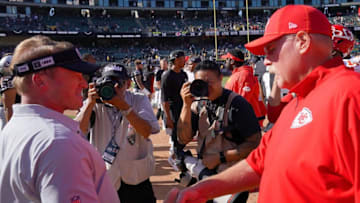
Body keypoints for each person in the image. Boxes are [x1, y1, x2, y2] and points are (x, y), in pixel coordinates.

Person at [165, 5, 360, 202]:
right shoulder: (297, 102)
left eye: (272, 49)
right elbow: (258, 164)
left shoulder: (350, 95)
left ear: (302, 42)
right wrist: (202, 190)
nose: (265, 61)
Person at [0, 35, 120, 202]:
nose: (84, 84)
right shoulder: (58, 142)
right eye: (74, 75)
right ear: (40, 80)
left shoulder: (12, 128)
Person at [177, 60, 261, 202]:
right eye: (200, 83)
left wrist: (221, 157)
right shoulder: (198, 104)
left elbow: (254, 143)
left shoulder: (237, 105)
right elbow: (182, 138)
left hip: (232, 180)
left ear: (221, 78)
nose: (206, 88)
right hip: (206, 176)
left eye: (209, 82)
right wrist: (186, 106)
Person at [76, 63, 159, 203]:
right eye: (108, 82)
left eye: (118, 84)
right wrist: (90, 103)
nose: (114, 88)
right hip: (105, 179)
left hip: (136, 177)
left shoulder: (138, 100)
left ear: (128, 83)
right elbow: (78, 131)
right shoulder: (95, 103)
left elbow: (146, 131)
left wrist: (124, 107)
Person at [223, 49, 266, 127]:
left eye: (227, 59)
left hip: (247, 121)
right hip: (242, 119)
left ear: (232, 61)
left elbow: (243, 101)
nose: (225, 62)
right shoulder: (238, 74)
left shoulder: (244, 75)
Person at [161, 50, 187, 160]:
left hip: (183, 108)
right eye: (182, 58)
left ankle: (178, 154)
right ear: (176, 60)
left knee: (183, 134)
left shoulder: (183, 74)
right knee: (176, 136)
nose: (184, 60)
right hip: (173, 110)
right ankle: (175, 158)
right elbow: (164, 99)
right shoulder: (167, 76)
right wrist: (168, 118)